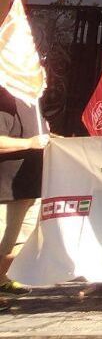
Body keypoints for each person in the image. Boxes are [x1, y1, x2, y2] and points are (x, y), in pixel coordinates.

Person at [0, 87, 49, 305]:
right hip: (7, 188)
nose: (44, 80)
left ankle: (2, 280)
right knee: (3, 240)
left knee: (20, 241)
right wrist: (29, 143)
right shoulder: (6, 101)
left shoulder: (34, 104)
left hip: (29, 187)